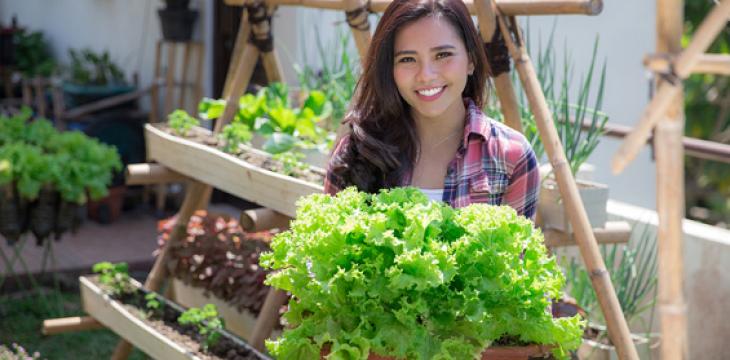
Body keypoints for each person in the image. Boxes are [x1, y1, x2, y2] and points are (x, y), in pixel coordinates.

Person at [325, 0, 539, 220]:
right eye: (407, 59)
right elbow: (329, 249)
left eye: (443, 55)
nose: (426, 75)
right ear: (390, 69)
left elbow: (517, 252)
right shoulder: (358, 151)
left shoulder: (512, 157)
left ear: (471, 60)